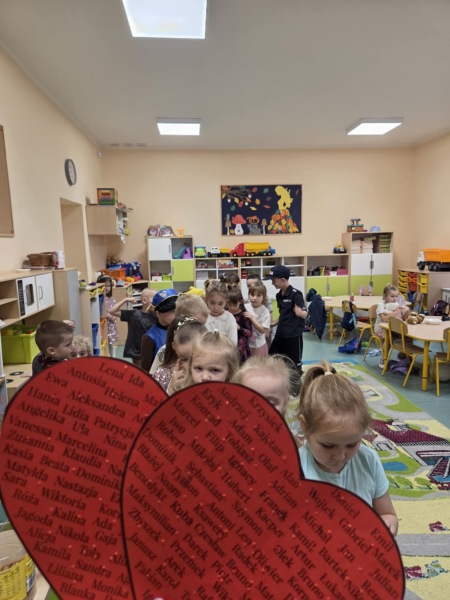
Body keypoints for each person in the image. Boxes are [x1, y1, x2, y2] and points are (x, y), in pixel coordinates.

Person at [298, 361, 398, 536]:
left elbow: (387, 513)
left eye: (352, 445)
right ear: (304, 427)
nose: (340, 456)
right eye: (328, 445)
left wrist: (387, 524)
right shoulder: (293, 470)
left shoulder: (369, 461)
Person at [150, 293, 209, 374]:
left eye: (203, 325)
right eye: (196, 325)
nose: (201, 329)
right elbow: (153, 375)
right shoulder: (164, 351)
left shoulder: (206, 347)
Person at [265, 265, 307, 371]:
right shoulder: (279, 295)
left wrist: (300, 313)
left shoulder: (296, 294)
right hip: (281, 332)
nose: (272, 283)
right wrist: (275, 322)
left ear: (283, 280)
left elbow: (305, 313)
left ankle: (296, 379)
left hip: (293, 334)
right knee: (273, 355)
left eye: (274, 280)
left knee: (294, 363)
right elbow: (283, 313)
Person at [153, 316, 206, 391]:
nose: (189, 365)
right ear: (174, 347)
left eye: (193, 358)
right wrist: (172, 389)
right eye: (184, 359)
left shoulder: (209, 374)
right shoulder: (166, 375)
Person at [173, 330, 239, 390]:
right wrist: (171, 389)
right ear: (190, 367)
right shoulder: (183, 393)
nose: (205, 377)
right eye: (199, 368)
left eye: (215, 370)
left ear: (229, 372)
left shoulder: (236, 397)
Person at [108, 287, 156, 367]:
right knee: (140, 372)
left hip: (150, 351)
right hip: (137, 354)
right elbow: (112, 311)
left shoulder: (156, 315)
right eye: (154, 299)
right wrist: (125, 300)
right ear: (144, 300)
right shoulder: (134, 314)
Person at [141, 288, 178, 372]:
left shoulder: (182, 330)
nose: (176, 314)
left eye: (177, 310)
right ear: (158, 313)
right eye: (172, 311)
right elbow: (146, 370)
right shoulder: (149, 337)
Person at [375, 284, 410, 369]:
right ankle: (384, 357)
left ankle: (402, 354)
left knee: (407, 335)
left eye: (396, 296)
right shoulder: (381, 305)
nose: (394, 298)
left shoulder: (396, 304)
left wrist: (406, 311)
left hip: (394, 327)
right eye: (392, 296)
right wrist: (396, 312)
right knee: (388, 337)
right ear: (385, 297)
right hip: (381, 328)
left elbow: (404, 319)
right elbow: (384, 319)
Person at [204, 280, 238, 345]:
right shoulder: (203, 317)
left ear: (226, 302)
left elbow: (233, 344)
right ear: (206, 300)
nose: (216, 308)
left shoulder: (229, 318)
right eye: (212, 303)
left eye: (220, 304)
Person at [243, 281, 270, 356]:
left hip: (259, 345)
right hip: (247, 345)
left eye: (258, 295)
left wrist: (252, 318)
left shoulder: (265, 311)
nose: (254, 298)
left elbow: (264, 330)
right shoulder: (245, 307)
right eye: (252, 295)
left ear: (263, 297)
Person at [227, 289, 252, 362]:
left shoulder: (244, 314)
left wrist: (239, 328)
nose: (232, 308)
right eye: (229, 305)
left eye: (235, 305)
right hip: (227, 345)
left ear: (241, 302)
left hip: (241, 348)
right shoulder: (225, 313)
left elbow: (250, 333)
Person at [97, 275, 119, 357]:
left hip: (110, 327)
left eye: (109, 286)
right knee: (104, 346)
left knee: (111, 345)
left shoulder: (111, 299)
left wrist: (110, 316)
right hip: (103, 327)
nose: (107, 288)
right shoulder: (100, 299)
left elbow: (115, 314)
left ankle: (113, 359)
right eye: (105, 286)